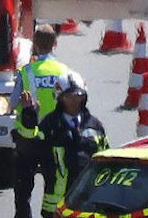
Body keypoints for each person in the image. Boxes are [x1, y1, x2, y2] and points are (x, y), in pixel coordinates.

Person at [12, 24, 72, 218]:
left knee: (23, 190)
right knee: (54, 187)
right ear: (55, 44)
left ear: (34, 45)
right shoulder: (65, 72)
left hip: (28, 140)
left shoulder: (26, 72)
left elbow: (11, 104)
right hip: (55, 138)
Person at [41, 73, 110, 217]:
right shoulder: (49, 125)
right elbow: (32, 154)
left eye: (78, 96)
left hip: (88, 200)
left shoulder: (95, 126)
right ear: (60, 98)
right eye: (68, 97)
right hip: (57, 204)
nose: (74, 100)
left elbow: (107, 160)